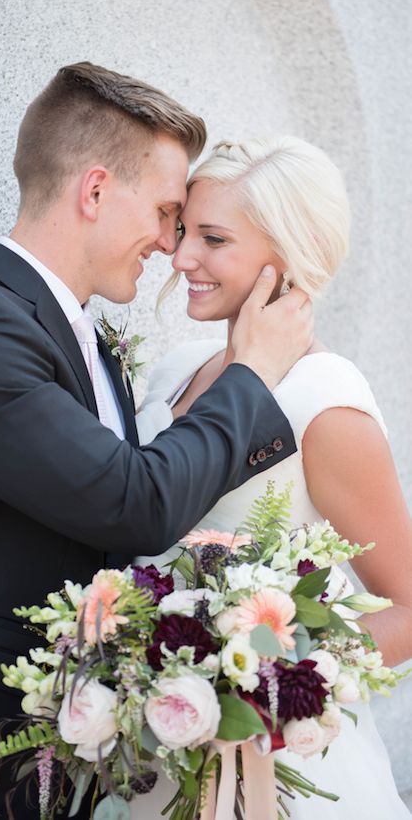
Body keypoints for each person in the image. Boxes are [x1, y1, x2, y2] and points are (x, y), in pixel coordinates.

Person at [0, 67, 313, 820]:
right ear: (94, 192)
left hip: (67, 771)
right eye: (166, 213)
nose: (170, 244)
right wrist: (253, 370)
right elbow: (133, 502)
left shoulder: (88, 341)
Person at [135, 135, 412, 819]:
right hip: (149, 744)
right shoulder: (176, 369)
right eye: (183, 231)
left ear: (282, 259)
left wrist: (263, 680)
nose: (181, 257)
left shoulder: (326, 399)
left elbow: (408, 603)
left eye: (213, 238)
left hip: (277, 765)